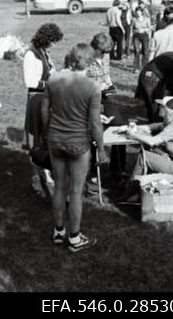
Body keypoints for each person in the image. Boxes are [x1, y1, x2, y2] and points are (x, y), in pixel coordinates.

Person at [40, 43, 107, 252]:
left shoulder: (53, 79)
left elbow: (44, 111)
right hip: (79, 143)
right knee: (76, 192)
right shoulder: (93, 87)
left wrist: (46, 133)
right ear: (89, 62)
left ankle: (58, 232)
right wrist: (102, 149)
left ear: (70, 59)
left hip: (56, 140)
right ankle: (75, 238)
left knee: (59, 187)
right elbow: (95, 123)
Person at [23, 23, 63, 197]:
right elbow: (30, 82)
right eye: (52, 41)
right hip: (36, 99)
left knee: (46, 137)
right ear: (46, 39)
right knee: (36, 138)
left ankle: (47, 174)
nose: (53, 45)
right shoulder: (30, 55)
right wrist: (51, 83)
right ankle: (35, 178)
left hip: (47, 98)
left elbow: (51, 72)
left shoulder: (45, 52)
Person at [125, 96, 173, 181]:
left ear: (170, 111)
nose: (160, 107)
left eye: (162, 106)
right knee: (152, 148)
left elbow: (152, 141)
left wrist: (132, 135)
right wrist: (135, 127)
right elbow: (153, 126)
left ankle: (131, 190)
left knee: (143, 157)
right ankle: (144, 181)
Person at [135, 49, 173, 122]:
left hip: (145, 73)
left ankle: (152, 122)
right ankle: (156, 125)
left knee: (151, 103)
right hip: (153, 77)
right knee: (156, 103)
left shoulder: (172, 54)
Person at [131, 6, 153, 73]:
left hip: (144, 35)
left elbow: (150, 27)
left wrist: (144, 29)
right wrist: (132, 35)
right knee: (136, 51)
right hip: (136, 36)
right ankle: (136, 67)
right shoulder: (134, 19)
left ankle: (144, 66)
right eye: (136, 12)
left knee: (145, 51)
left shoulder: (147, 19)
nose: (138, 14)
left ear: (141, 12)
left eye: (139, 12)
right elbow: (132, 28)